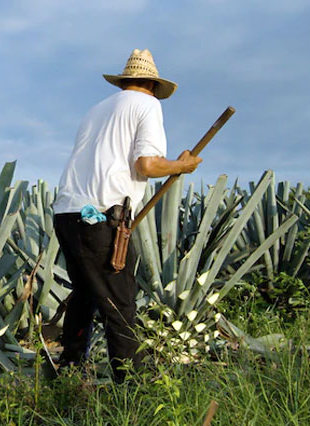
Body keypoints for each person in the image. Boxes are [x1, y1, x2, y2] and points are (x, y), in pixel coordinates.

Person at [51, 48, 202, 383]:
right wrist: (183, 166)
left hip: (66, 213)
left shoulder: (96, 111)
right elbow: (146, 165)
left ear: (125, 81)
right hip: (103, 216)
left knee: (86, 293)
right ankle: (132, 386)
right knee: (120, 303)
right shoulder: (147, 105)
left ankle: (70, 372)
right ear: (151, 84)